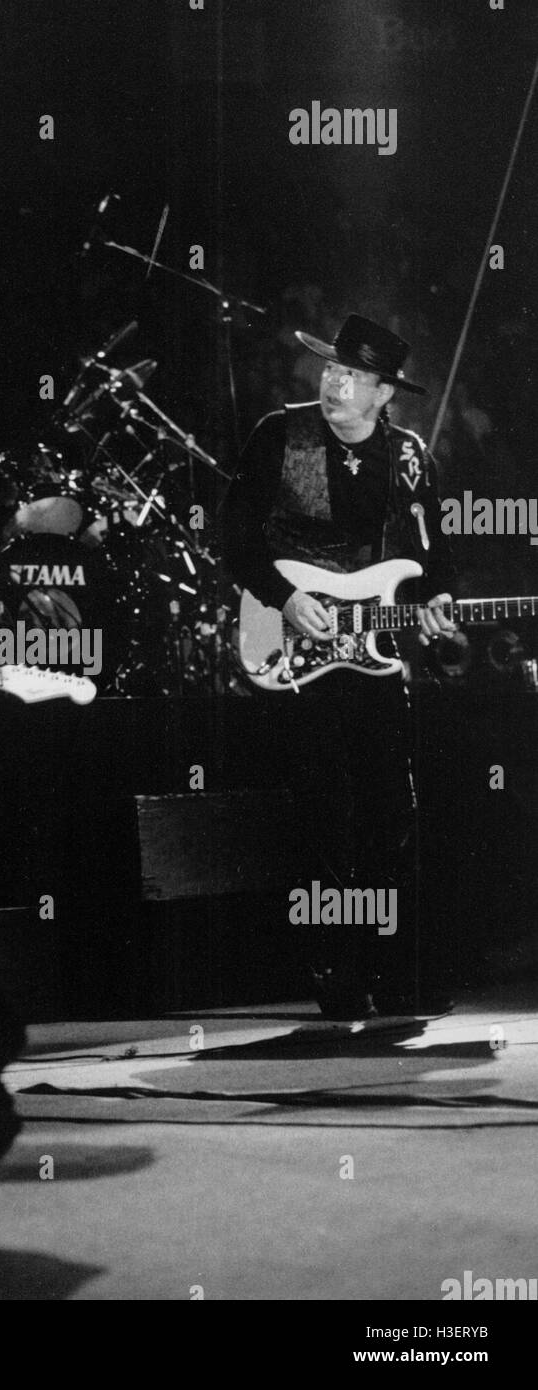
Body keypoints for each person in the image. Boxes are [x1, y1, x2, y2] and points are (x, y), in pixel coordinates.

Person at [222, 314, 458, 1019]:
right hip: (297, 648)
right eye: (330, 369)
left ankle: (397, 971)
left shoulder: (409, 456)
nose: (333, 383)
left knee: (393, 812)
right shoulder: (278, 435)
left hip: (374, 655)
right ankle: (334, 969)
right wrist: (285, 598)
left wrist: (437, 599)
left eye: (352, 376)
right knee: (323, 811)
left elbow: (429, 551)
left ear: (385, 392)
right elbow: (232, 538)